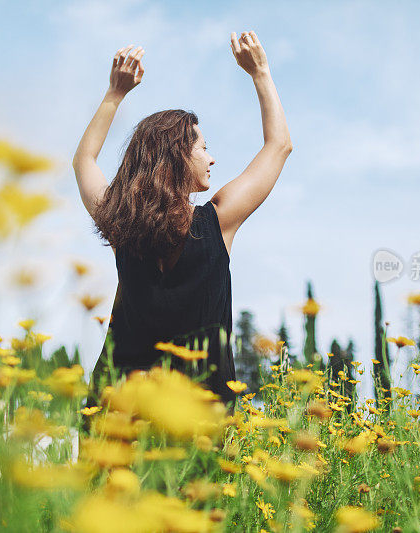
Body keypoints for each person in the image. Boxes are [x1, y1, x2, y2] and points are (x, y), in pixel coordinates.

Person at [72, 31, 292, 414]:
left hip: (116, 410)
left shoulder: (120, 223)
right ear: (178, 156)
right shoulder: (218, 221)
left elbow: (84, 162)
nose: (211, 159)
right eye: (203, 148)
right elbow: (279, 145)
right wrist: (260, 72)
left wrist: (114, 93)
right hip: (195, 423)